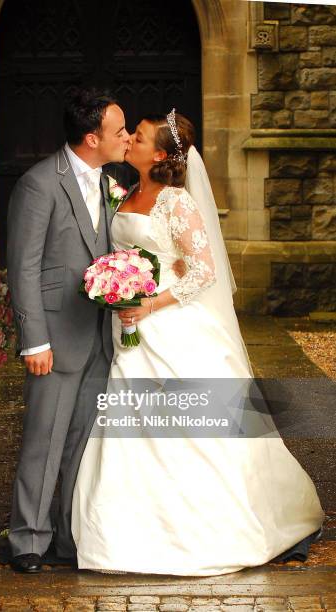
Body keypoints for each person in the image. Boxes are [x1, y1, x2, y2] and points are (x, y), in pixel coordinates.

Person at [70, 110, 325, 576]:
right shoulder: (126, 192)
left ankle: (211, 529)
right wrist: (116, 286)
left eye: (140, 138)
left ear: (161, 155)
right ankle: (127, 532)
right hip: (131, 331)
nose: (129, 141)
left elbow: (203, 271)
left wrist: (148, 304)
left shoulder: (177, 202)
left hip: (170, 326)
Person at [6, 87, 130, 573]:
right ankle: (27, 540)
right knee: (44, 440)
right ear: (90, 137)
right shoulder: (39, 184)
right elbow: (24, 268)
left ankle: (68, 535)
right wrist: (33, 340)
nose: (126, 137)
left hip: (100, 336)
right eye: (118, 131)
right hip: (55, 340)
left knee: (82, 442)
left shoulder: (110, 180)